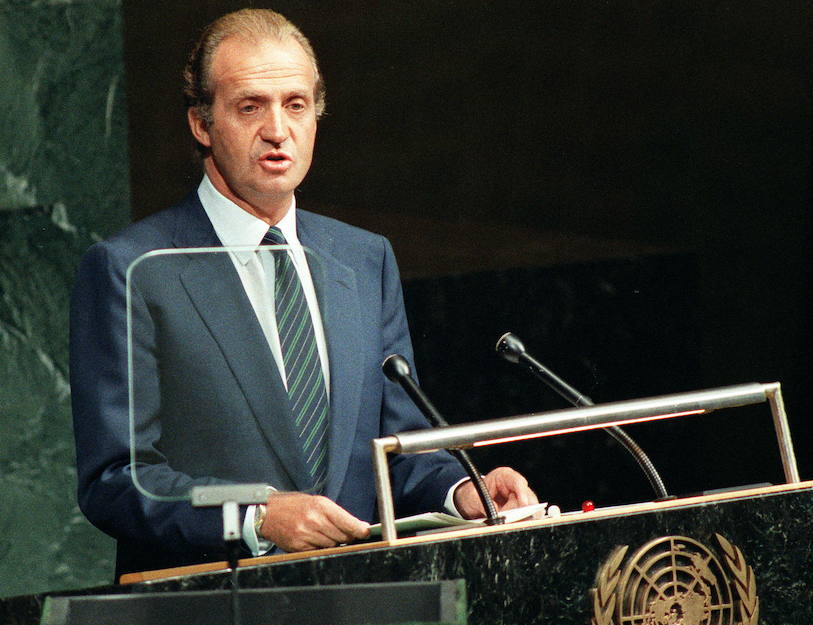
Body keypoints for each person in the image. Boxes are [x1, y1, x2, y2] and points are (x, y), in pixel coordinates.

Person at [69, 8, 536, 579]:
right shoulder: (131, 269)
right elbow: (117, 479)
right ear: (200, 122)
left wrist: (464, 491)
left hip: (359, 609)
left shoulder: (364, 260)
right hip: (207, 623)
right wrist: (256, 515)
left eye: (295, 104)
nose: (277, 129)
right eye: (249, 107)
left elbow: (400, 452)